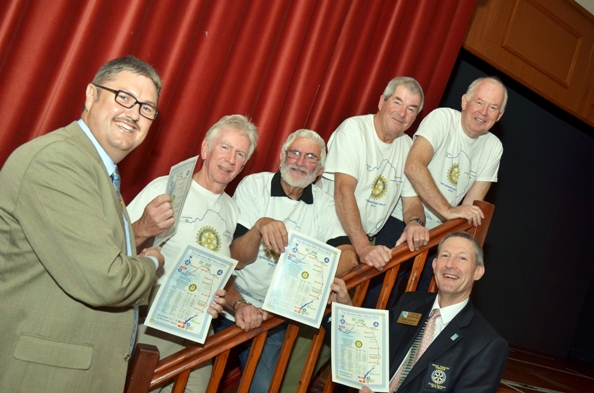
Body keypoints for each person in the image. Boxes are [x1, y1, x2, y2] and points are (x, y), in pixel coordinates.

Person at [0, 56, 165, 393]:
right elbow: (108, 281)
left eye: (147, 107)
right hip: (43, 375)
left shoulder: (99, 172)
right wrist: (153, 262)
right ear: (91, 95)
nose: (134, 113)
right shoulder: (59, 160)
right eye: (124, 97)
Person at [213, 129, 358, 393]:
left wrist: (306, 275)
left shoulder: (324, 205)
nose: (300, 162)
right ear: (282, 156)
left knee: (263, 388)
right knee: (198, 379)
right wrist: (259, 227)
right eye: (295, 153)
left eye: (311, 157)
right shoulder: (254, 185)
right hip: (228, 300)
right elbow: (236, 259)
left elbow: (349, 256)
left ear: (320, 168)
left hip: (273, 316)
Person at [127, 114, 258, 392]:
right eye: (224, 147)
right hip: (152, 323)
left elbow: (222, 271)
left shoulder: (231, 209)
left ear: (243, 165)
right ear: (205, 149)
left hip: (199, 329)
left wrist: (232, 302)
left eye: (240, 154)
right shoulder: (165, 189)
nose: (231, 159)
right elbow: (120, 239)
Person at [325, 231, 509, 393]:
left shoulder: (487, 345)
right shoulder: (409, 303)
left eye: (462, 258)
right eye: (445, 256)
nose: (450, 265)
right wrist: (345, 306)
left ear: (478, 272)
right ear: (435, 265)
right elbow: (369, 345)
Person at [379, 76, 507, 293]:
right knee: (375, 292)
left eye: (493, 107)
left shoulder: (494, 147)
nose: (484, 112)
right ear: (465, 101)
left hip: (438, 238)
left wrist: (454, 243)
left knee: (414, 309)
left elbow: (471, 206)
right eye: (479, 102)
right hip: (400, 220)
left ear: (499, 115)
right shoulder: (442, 118)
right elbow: (414, 165)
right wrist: (448, 210)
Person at [317, 76, 430, 274]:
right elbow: (343, 191)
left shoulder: (408, 146)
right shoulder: (353, 130)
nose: (402, 114)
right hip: (325, 235)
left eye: (411, 109)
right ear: (381, 102)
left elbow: (412, 203)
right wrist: (363, 248)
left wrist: (415, 223)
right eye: (397, 102)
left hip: (362, 243)